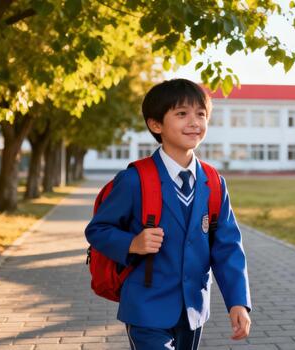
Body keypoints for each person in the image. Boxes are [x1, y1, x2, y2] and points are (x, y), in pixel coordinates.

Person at [85, 78, 251, 349]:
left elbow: (228, 247)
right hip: (145, 306)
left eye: (201, 114)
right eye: (182, 114)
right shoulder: (134, 179)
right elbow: (98, 230)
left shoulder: (213, 182)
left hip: (194, 309)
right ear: (156, 124)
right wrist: (132, 243)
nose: (194, 122)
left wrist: (238, 302)